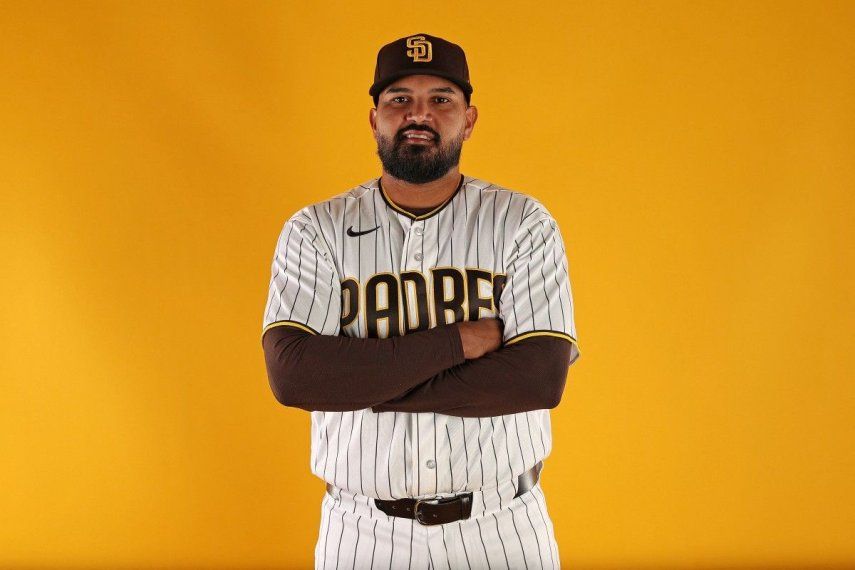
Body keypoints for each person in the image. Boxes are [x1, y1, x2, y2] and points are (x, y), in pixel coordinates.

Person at [261, 32, 581, 570]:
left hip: (501, 525)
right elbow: (296, 378)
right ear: (375, 119)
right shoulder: (315, 230)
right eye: (400, 100)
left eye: (440, 99)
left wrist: (364, 382)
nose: (419, 114)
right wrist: (458, 340)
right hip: (361, 530)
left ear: (469, 119)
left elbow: (537, 380)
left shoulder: (522, 223)